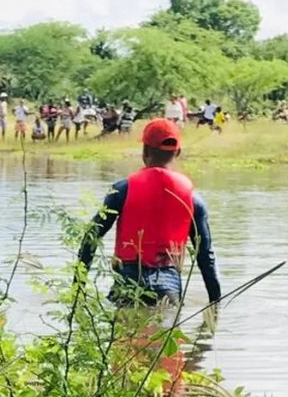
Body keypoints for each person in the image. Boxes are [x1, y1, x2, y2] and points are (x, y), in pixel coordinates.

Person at [77, 119, 221, 306]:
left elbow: (91, 237)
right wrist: (215, 303)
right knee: (166, 330)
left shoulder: (122, 190)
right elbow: (206, 256)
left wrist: (77, 290)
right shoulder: (193, 199)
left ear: (144, 151)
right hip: (168, 290)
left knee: (124, 332)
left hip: (127, 286)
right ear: (178, 152)